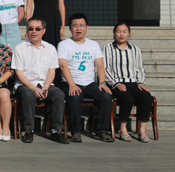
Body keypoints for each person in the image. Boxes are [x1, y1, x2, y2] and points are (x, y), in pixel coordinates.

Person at [58, 13, 114, 142]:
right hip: (70, 82)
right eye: (75, 26)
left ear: (87, 27)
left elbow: (100, 65)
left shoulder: (93, 45)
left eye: (81, 25)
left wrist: (102, 82)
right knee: (75, 96)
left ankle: (102, 131)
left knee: (106, 97)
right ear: (70, 28)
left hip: (90, 83)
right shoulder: (64, 44)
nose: (78, 29)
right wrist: (72, 84)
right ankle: (75, 131)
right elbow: (63, 66)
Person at [12, 17, 69, 144]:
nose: (34, 31)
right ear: (27, 31)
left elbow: (52, 71)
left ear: (43, 31)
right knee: (28, 94)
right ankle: (29, 130)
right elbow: (19, 73)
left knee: (58, 94)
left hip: (44, 83)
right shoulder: (19, 48)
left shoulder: (50, 48)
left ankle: (56, 131)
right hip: (25, 84)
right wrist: (33, 88)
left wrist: (46, 87)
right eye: (31, 28)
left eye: (38, 29)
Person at [104, 22, 154, 143]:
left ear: (129, 34)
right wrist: (116, 83)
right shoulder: (108, 48)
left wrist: (141, 83)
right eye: (118, 31)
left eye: (124, 32)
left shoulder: (135, 49)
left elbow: (140, 68)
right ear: (114, 33)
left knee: (146, 97)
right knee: (127, 97)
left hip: (133, 82)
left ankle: (142, 130)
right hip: (116, 83)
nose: (121, 34)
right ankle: (123, 129)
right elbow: (105, 68)